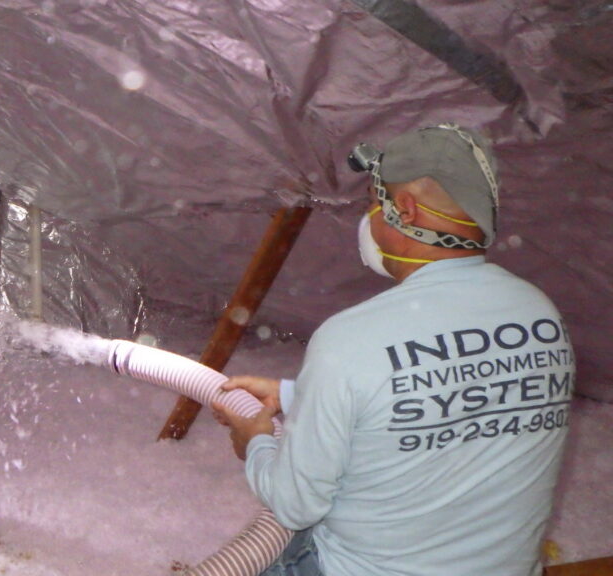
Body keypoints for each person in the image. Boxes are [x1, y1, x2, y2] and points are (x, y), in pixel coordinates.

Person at [213, 123, 575, 576]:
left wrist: (257, 442)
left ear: (404, 208)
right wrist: (296, 394)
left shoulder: (351, 338)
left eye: (373, 201)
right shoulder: (539, 313)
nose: (369, 217)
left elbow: (294, 505)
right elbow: (461, 400)